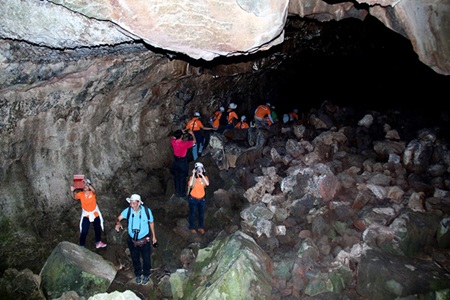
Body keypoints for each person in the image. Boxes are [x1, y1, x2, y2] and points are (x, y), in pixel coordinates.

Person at [115, 194, 157, 285]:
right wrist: (118, 223)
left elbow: (151, 222)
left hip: (144, 240)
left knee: (146, 258)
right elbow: (118, 218)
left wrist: (154, 236)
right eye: (131, 203)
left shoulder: (146, 211)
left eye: (134, 203)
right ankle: (138, 274)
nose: (132, 205)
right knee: (135, 258)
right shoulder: (128, 210)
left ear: (139, 203)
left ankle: (146, 274)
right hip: (132, 241)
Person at [70, 178, 107, 249]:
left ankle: (98, 242)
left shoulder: (92, 193)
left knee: (97, 228)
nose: (85, 186)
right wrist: (72, 191)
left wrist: (87, 184)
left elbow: (94, 191)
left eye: (87, 185)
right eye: (84, 185)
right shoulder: (80, 194)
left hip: (94, 212)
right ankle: (81, 245)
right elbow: (74, 197)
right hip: (86, 214)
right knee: (84, 230)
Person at [171, 129, 196, 197]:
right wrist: (192, 134)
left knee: (176, 176)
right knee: (182, 177)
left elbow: (173, 137)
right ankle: (182, 193)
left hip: (176, 161)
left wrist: (180, 132)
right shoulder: (185, 144)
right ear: (182, 136)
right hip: (182, 161)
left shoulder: (173, 142)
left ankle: (177, 192)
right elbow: (194, 142)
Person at [187, 162, 210, 235]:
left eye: (201, 169)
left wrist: (202, 175)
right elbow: (190, 185)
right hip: (193, 199)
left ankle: (200, 227)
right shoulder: (192, 178)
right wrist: (193, 174)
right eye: (198, 169)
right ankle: (192, 227)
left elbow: (207, 184)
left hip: (202, 199)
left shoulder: (205, 178)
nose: (199, 170)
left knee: (201, 214)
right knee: (192, 213)